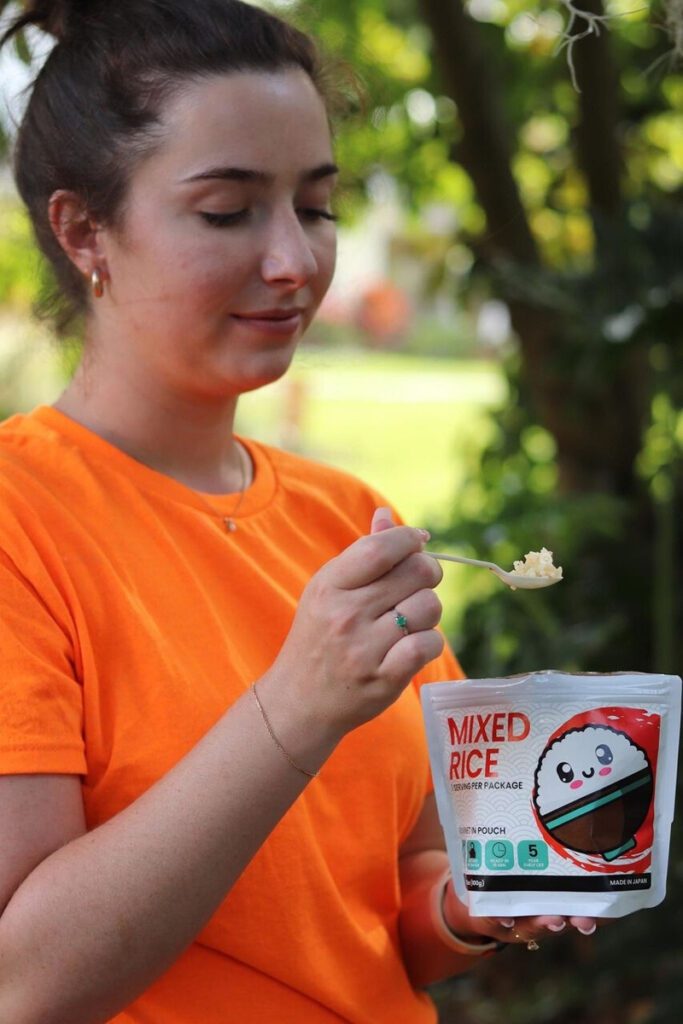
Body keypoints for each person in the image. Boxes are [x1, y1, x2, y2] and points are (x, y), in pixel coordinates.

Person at [0, 2, 599, 1022]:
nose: (292, 262)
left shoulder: (350, 517)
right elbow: (27, 983)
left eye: (314, 207)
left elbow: (393, 905)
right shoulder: (21, 519)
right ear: (80, 230)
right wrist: (297, 705)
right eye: (228, 212)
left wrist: (471, 903)